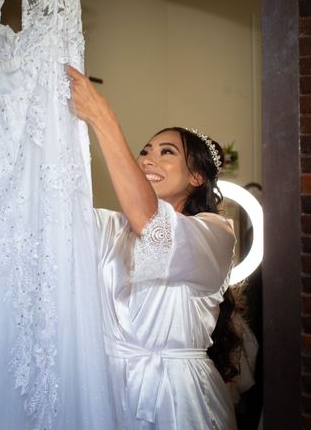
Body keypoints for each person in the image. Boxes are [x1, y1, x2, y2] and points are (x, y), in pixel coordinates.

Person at [67, 65, 241, 429]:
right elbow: (42, 215)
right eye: (145, 151)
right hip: (104, 391)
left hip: (176, 401)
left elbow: (152, 224)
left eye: (166, 152)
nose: (147, 158)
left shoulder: (215, 233)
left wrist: (102, 118)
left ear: (197, 177)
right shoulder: (110, 226)